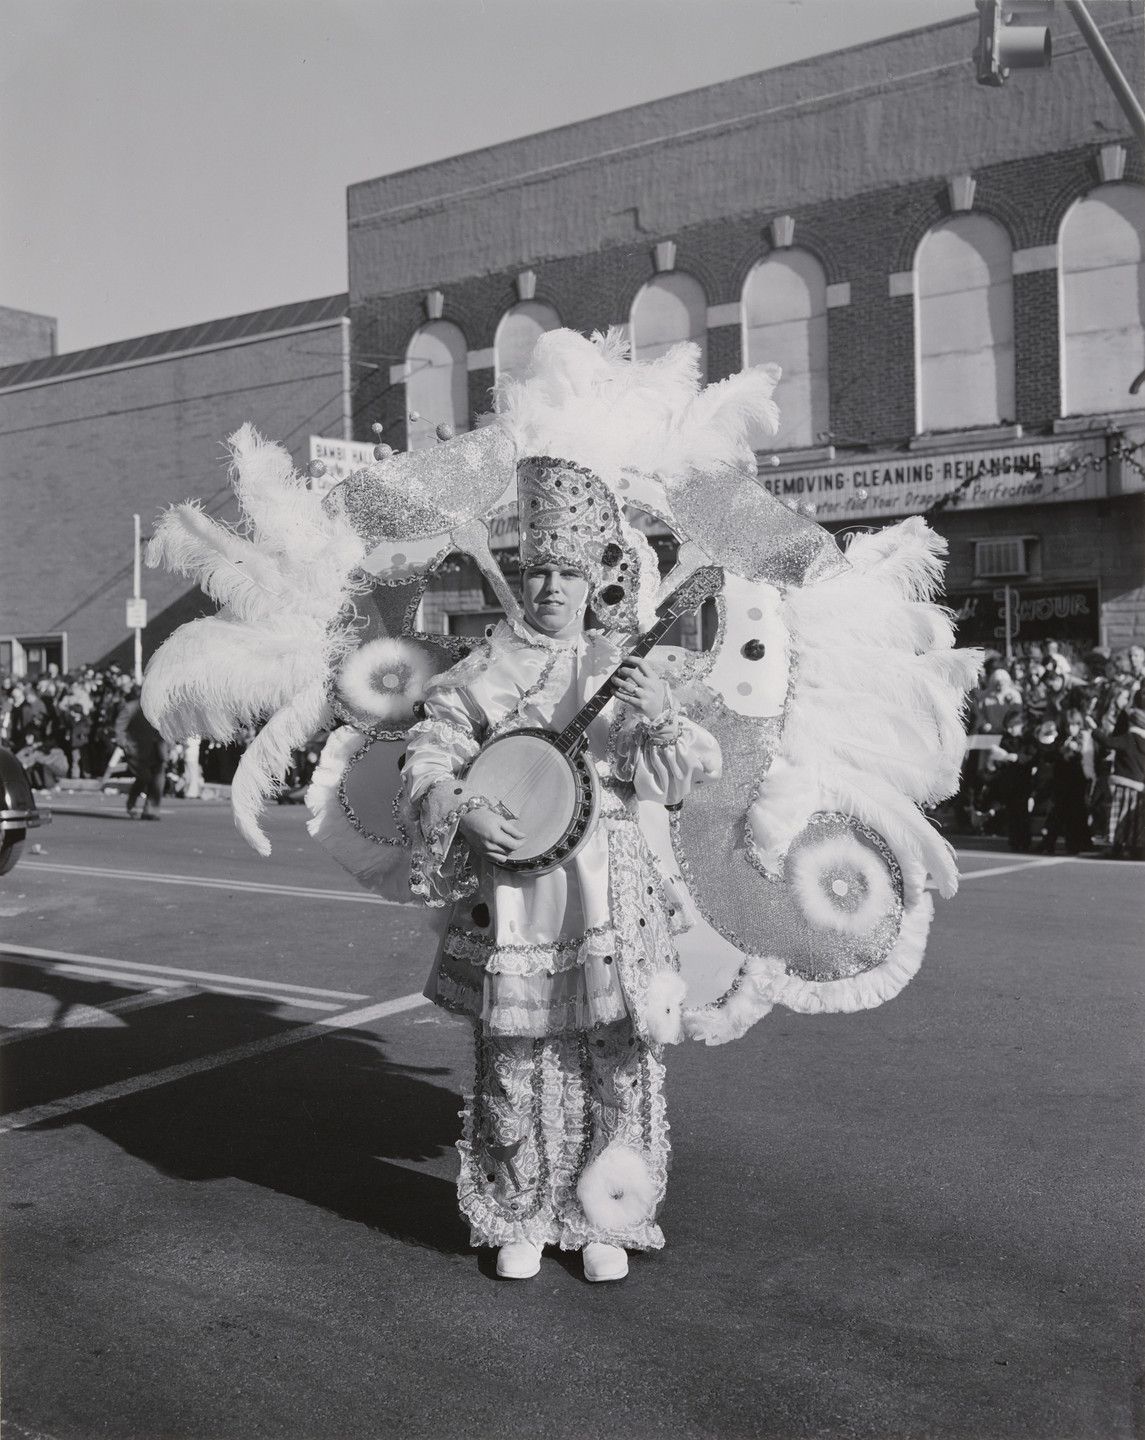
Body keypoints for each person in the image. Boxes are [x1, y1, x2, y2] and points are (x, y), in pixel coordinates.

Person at [401, 456, 722, 1282]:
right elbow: (431, 754)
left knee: (615, 1046)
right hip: (516, 890)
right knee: (515, 1049)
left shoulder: (631, 667)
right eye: (536, 570)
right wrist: (459, 800)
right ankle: (518, 1209)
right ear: (519, 576)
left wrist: (657, 722)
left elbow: (675, 778)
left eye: (566, 573)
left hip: (609, 886)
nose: (550, 587)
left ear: (593, 579)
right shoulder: (480, 671)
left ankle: (608, 1210)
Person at [114, 692, 169, 820]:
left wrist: (170, 748)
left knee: (158, 781)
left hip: (158, 750)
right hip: (137, 751)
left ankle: (151, 810)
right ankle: (131, 802)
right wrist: (125, 744)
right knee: (144, 777)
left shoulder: (161, 708)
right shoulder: (131, 708)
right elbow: (119, 729)